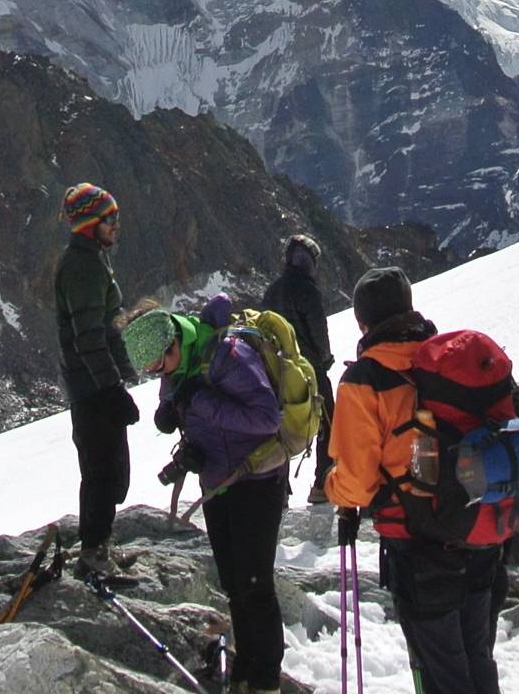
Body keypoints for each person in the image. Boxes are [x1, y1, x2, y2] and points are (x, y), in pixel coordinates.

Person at [327, 267, 502, 694]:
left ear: (362, 322)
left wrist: (333, 488)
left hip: (418, 543)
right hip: (480, 530)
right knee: (476, 656)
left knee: (440, 670)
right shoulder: (450, 362)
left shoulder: (366, 379)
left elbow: (356, 483)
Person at [127, 300, 288, 694]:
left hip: (257, 479)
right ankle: (245, 672)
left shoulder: (229, 355)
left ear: (172, 342)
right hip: (218, 482)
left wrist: (200, 403)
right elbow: (181, 404)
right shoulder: (178, 364)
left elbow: (267, 418)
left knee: (256, 584)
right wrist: (174, 412)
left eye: (156, 365)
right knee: (235, 584)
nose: (156, 374)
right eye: (148, 370)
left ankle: (266, 681)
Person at [52, 182, 140, 582]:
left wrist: (124, 374)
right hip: (91, 389)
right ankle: (93, 554)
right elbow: (89, 336)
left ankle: (99, 544)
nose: (117, 226)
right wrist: (111, 388)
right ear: (91, 223)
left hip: (94, 384)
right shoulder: (83, 266)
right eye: (110, 219)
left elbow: (108, 327)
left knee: (108, 470)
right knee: (102, 470)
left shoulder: (93, 260)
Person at [257, 233, 337, 504]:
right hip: (310, 369)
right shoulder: (307, 289)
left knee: (280, 427)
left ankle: (279, 490)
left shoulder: (273, 289)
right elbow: (318, 331)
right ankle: (323, 483)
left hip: (276, 371)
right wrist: (324, 358)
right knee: (327, 421)